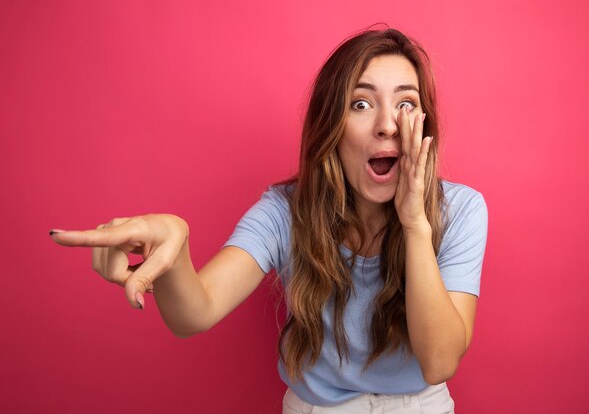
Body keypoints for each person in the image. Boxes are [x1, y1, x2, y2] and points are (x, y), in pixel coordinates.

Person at [50, 27, 488, 414]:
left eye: (406, 105)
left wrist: (414, 223)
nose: (388, 125)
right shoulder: (284, 210)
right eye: (360, 103)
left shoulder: (463, 210)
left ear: (426, 127)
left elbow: (440, 362)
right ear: (331, 126)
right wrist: (176, 243)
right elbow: (194, 313)